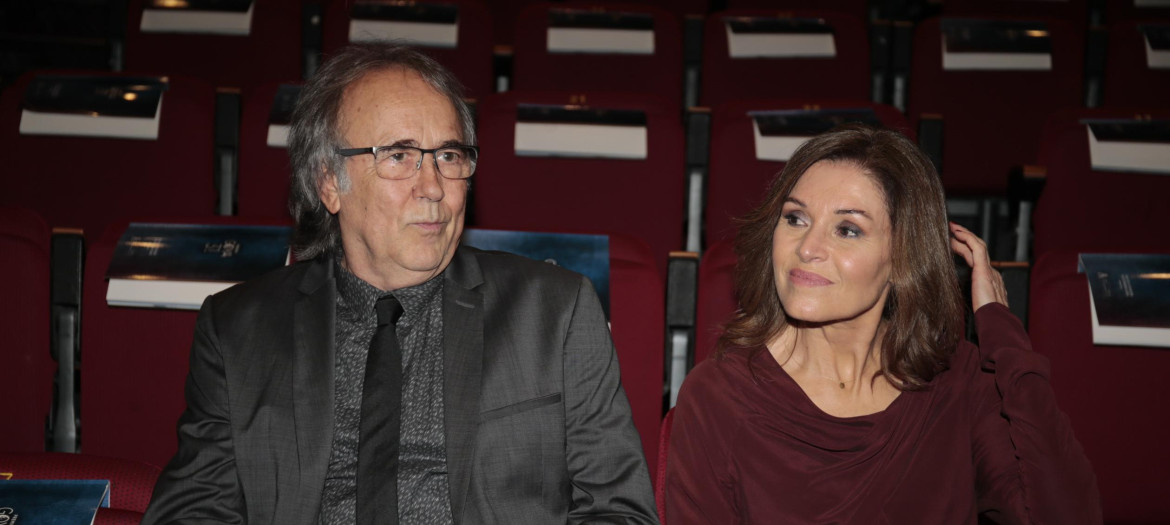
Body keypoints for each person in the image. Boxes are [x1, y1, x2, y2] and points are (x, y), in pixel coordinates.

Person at [142, 43, 656, 524]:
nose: (433, 187)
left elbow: (620, 512)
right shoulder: (238, 330)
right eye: (398, 156)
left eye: (449, 156)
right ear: (329, 182)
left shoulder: (554, 313)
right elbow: (193, 512)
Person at [665, 124, 1102, 523]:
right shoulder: (719, 397)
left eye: (847, 230)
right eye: (795, 218)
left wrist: (1001, 332)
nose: (807, 247)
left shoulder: (957, 381)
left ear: (903, 258)